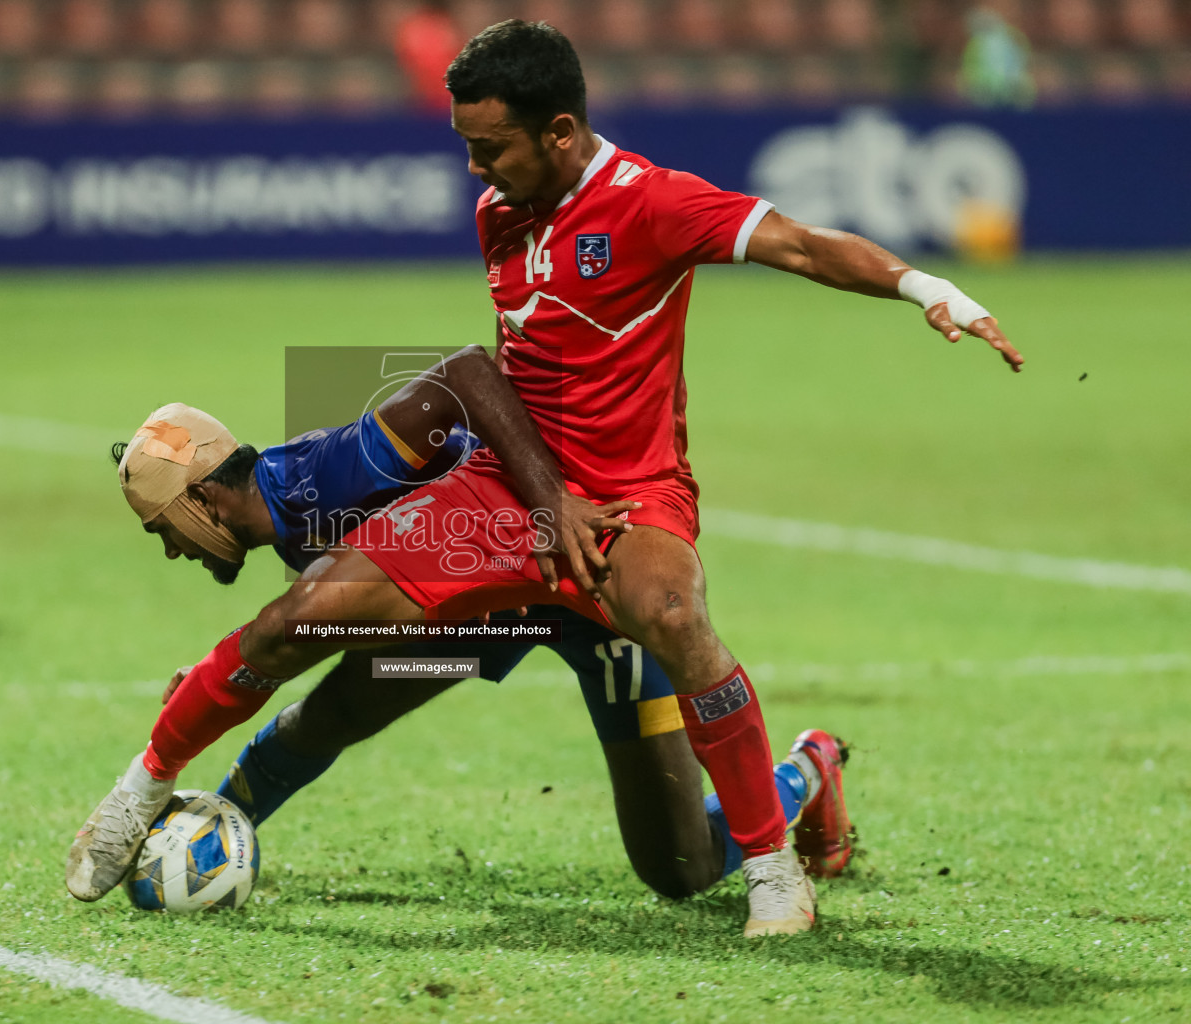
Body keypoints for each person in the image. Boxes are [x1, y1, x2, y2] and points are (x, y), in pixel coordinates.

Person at [72, 20, 1021, 938]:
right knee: (312, 654)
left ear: (559, 131)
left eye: (491, 148)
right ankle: (144, 801)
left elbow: (804, 246)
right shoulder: (500, 214)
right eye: (469, 149)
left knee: (679, 851)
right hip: (498, 520)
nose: (476, 172)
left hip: (620, 506)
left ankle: (793, 807)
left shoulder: (651, 203)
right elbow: (491, 375)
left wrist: (928, 290)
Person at [102, 347, 853, 903]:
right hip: (476, 625)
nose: (171, 549)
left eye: (164, 528)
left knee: (679, 866)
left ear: (204, 497)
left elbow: (462, 375)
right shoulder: (286, 519)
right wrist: (223, 681)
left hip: (585, 591)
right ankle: (216, 823)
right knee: (332, 711)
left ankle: (808, 771)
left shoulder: (333, 471)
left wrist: (548, 501)